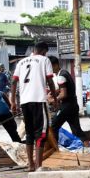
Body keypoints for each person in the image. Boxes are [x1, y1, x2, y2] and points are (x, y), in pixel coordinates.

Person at [10, 42, 56, 171]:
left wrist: (13, 101)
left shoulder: (21, 62)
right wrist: (55, 98)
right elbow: (50, 80)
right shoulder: (44, 60)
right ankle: (38, 166)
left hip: (25, 101)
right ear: (43, 51)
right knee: (41, 134)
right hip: (39, 100)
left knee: (29, 133)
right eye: (45, 52)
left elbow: (14, 81)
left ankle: (31, 165)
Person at [47, 56, 89, 147]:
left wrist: (53, 100)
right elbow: (63, 89)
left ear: (55, 65)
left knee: (54, 126)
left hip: (67, 106)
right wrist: (53, 93)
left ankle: (55, 149)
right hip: (73, 105)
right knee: (76, 130)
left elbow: (63, 94)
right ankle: (88, 148)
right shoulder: (64, 73)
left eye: (49, 67)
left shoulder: (61, 76)